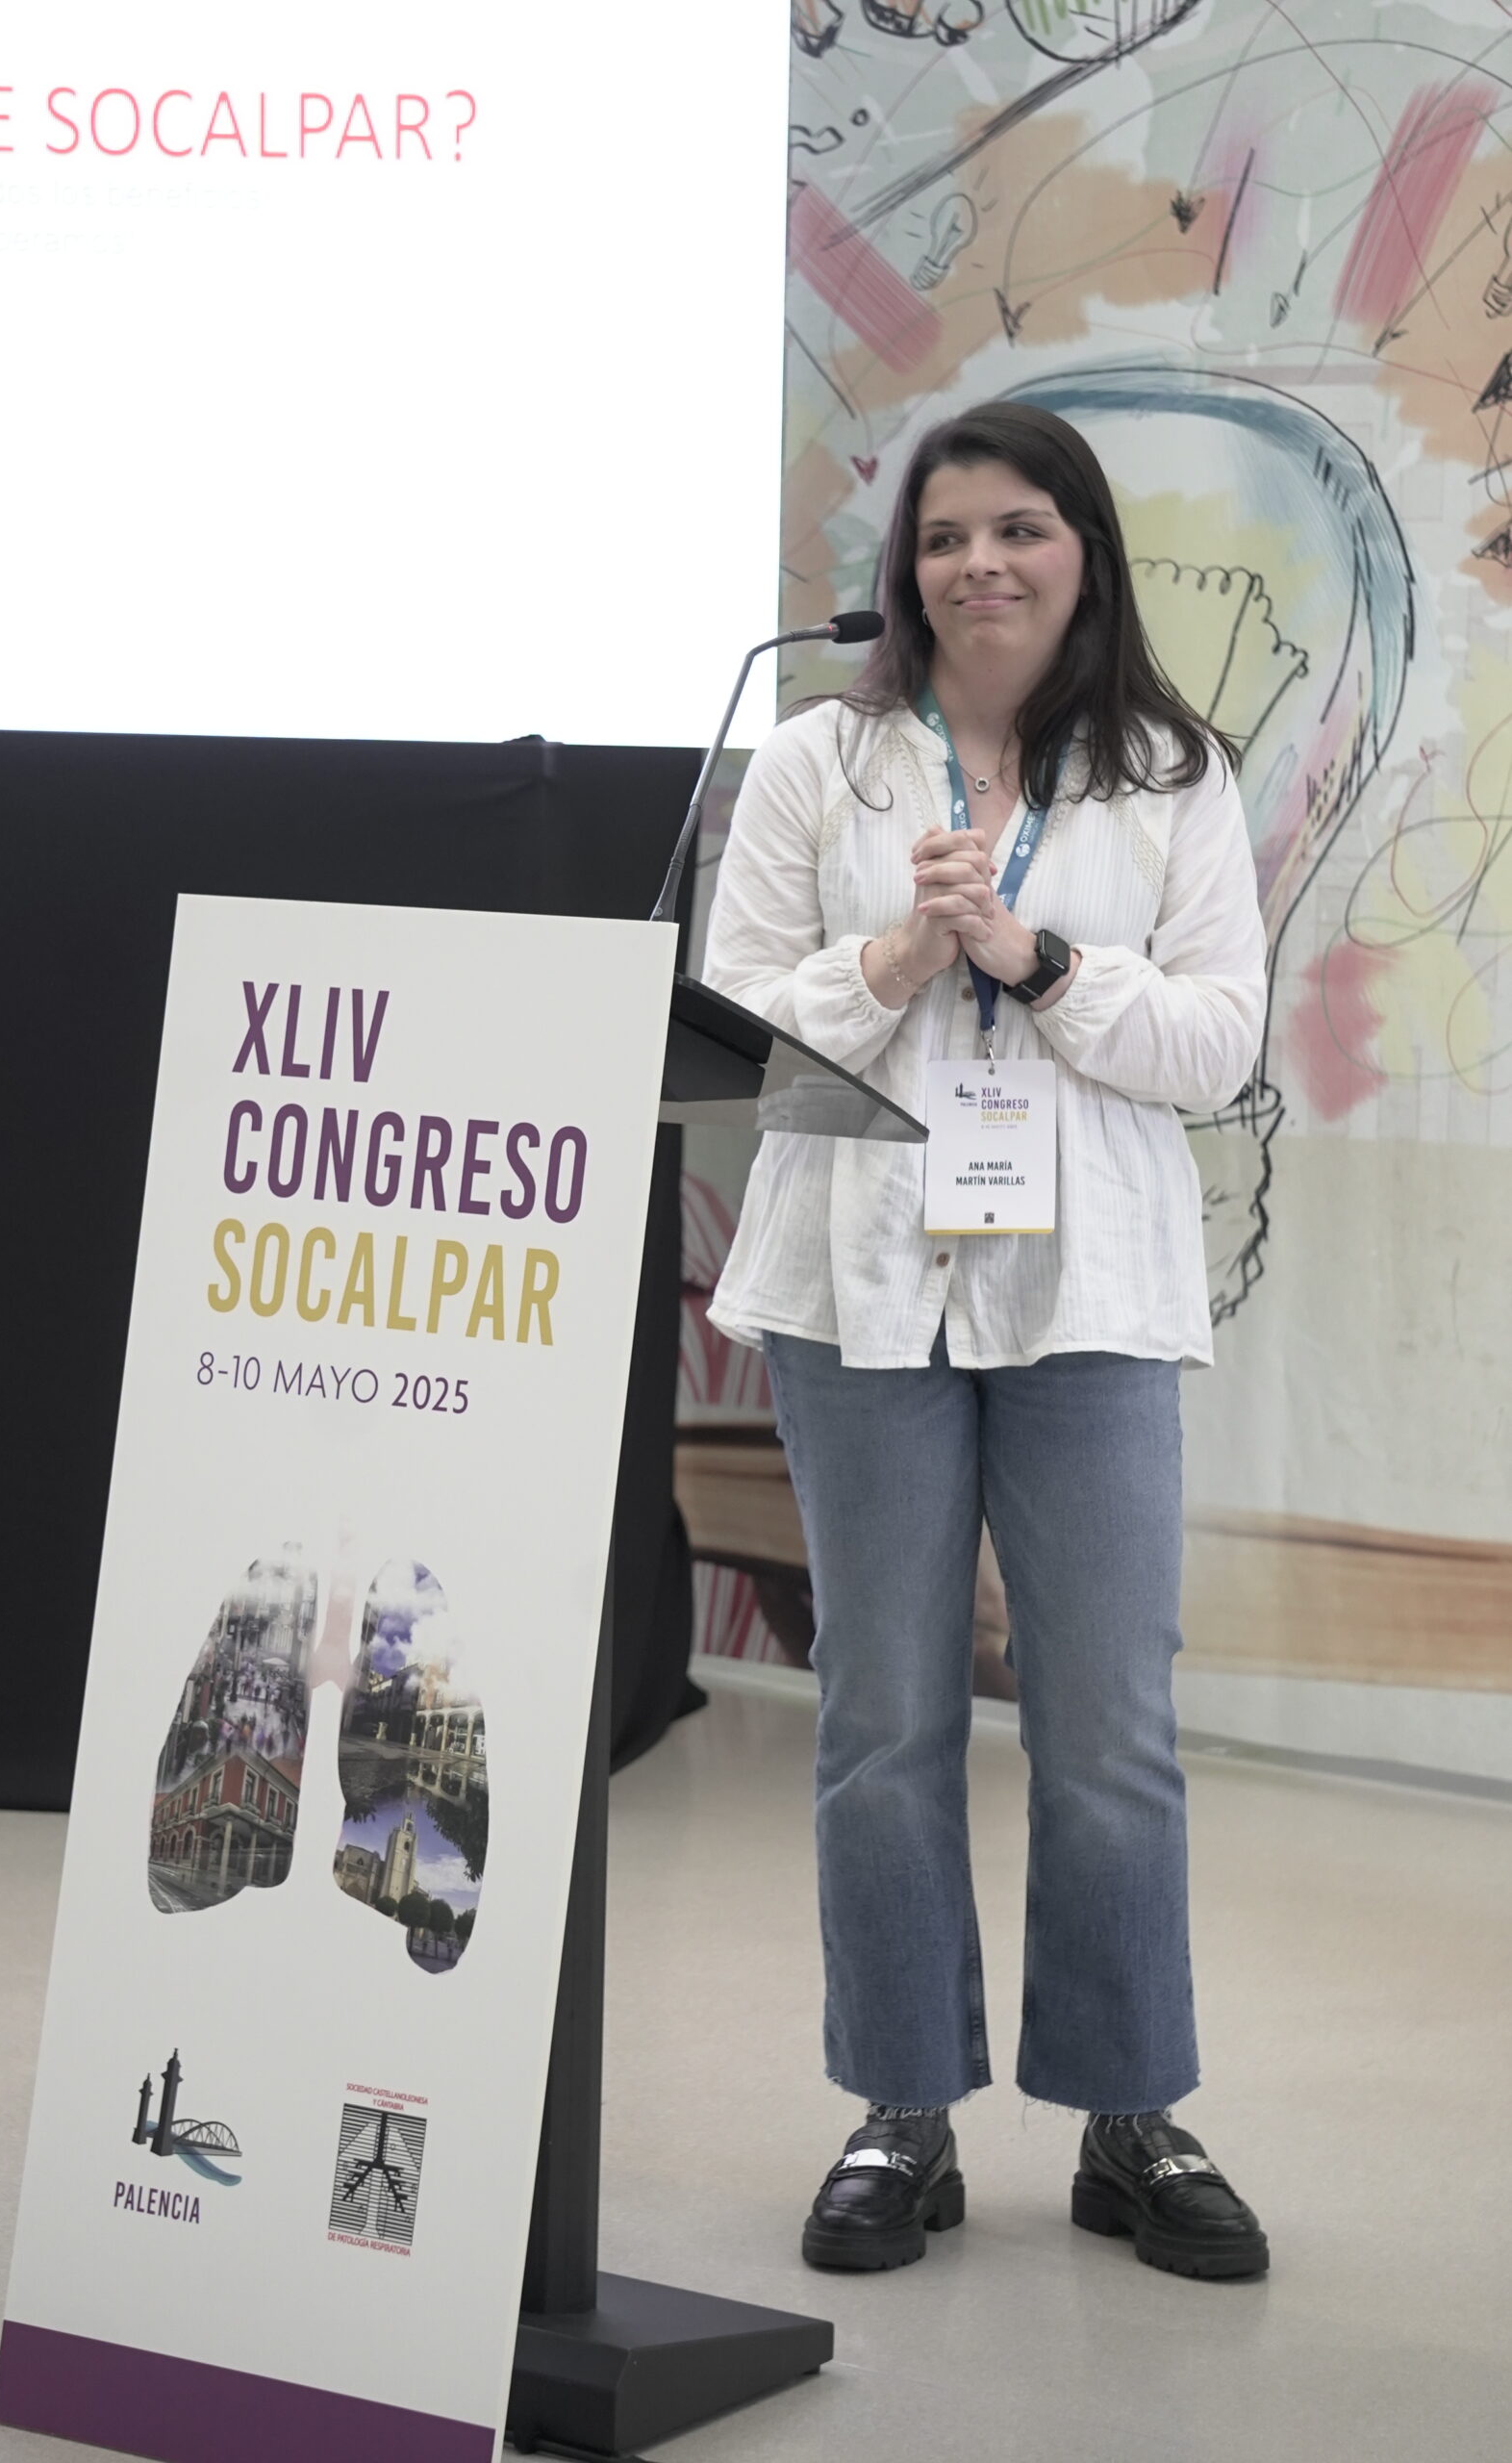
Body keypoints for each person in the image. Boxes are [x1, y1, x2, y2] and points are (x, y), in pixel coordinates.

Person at [701, 401, 1272, 2282]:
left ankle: (1129, 2114)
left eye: (1018, 528)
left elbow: (1217, 1044)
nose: (980, 565)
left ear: (1080, 551)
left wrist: (1036, 961)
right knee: (882, 1716)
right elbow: (736, 1023)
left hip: (1086, 1287)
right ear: (906, 570)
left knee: (1107, 1718)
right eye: (944, 537)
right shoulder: (819, 758)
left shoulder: (1169, 771)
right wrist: (893, 957)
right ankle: (900, 2108)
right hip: (854, 1282)